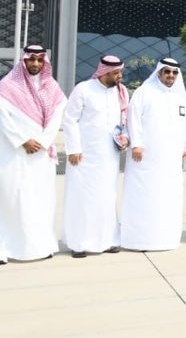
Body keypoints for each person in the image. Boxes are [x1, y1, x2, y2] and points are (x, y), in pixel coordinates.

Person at [0, 45, 66, 264]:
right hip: (14, 154)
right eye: (31, 60)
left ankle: (40, 246)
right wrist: (23, 141)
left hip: (42, 155)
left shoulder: (52, 87)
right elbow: (3, 119)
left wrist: (44, 141)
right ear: (24, 61)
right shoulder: (7, 86)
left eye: (40, 60)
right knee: (13, 198)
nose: (36, 64)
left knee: (41, 199)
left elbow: (57, 116)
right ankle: (8, 248)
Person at [121, 58, 186, 251]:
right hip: (146, 158)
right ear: (159, 73)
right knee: (144, 196)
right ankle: (140, 240)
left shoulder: (180, 97)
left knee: (168, 197)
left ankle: (166, 238)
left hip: (171, 159)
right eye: (167, 72)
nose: (171, 76)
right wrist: (136, 144)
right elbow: (133, 119)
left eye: (174, 72)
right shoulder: (144, 92)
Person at [62, 55, 128, 258]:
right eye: (116, 73)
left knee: (107, 198)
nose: (119, 76)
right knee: (82, 199)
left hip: (109, 156)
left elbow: (124, 120)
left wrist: (125, 137)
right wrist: (73, 149)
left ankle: (108, 241)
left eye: (120, 72)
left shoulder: (121, 92)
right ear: (104, 72)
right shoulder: (83, 89)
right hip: (84, 156)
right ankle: (79, 243)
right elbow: (69, 119)